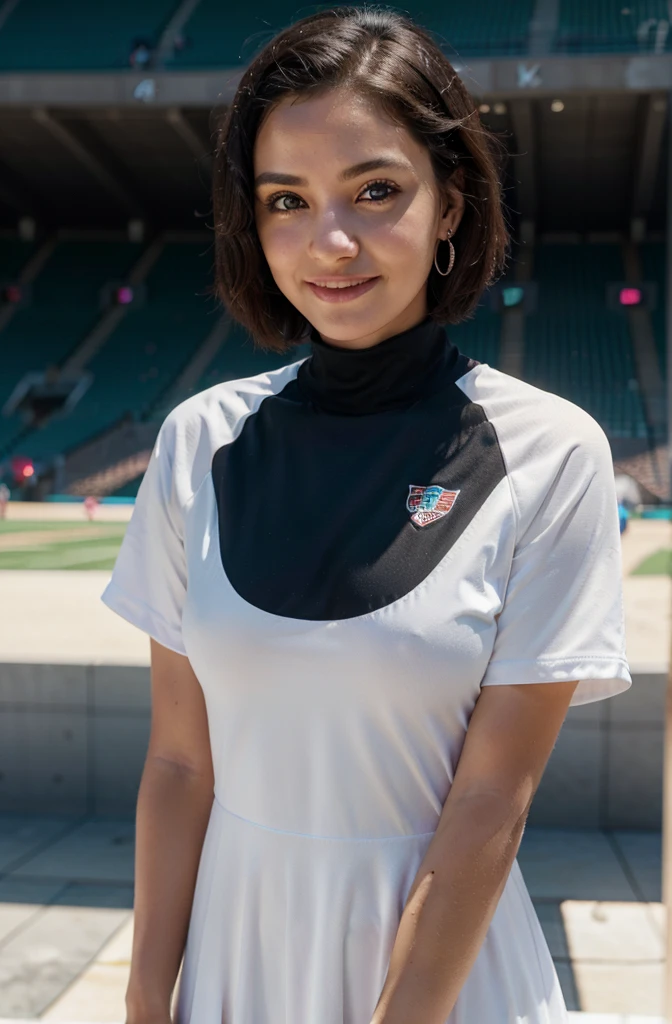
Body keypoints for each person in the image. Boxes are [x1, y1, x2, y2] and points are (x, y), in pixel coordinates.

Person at [101, 8, 632, 1024]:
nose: (328, 242)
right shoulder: (196, 440)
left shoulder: (550, 452)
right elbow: (178, 761)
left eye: (375, 191)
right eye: (285, 201)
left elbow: (490, 803)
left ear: (448, 205)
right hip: (237, 961)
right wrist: (142, 1003)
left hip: (446, 983)